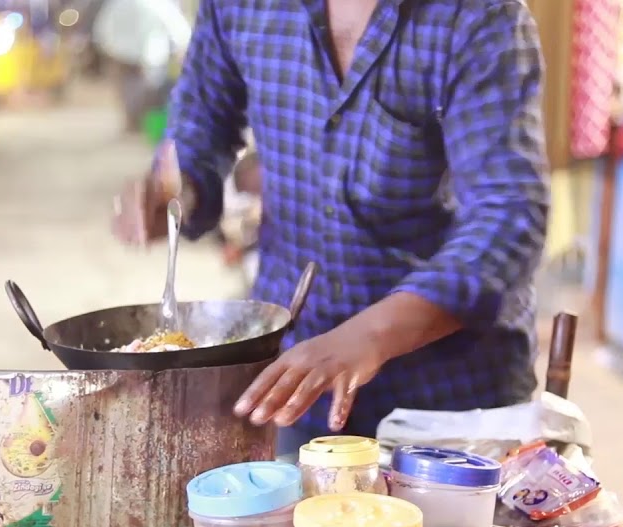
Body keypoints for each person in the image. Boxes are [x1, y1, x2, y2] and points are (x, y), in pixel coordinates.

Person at [113, 0, 550, 458]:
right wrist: (177, 191)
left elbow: (508, 217)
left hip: (451, 399)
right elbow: (202, 124)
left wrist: (370, 335)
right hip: (297, 380)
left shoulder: (477, 16)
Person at [91, 0, 190, 132]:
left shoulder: (117, 4)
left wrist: (107, 48)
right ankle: (139, 122)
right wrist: (179, 48)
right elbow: (178, 30)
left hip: (124, 54)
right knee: (146, 90)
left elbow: (102, 29)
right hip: (148, 56)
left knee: (128, 91)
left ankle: (134, 121)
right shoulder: (160, 5)